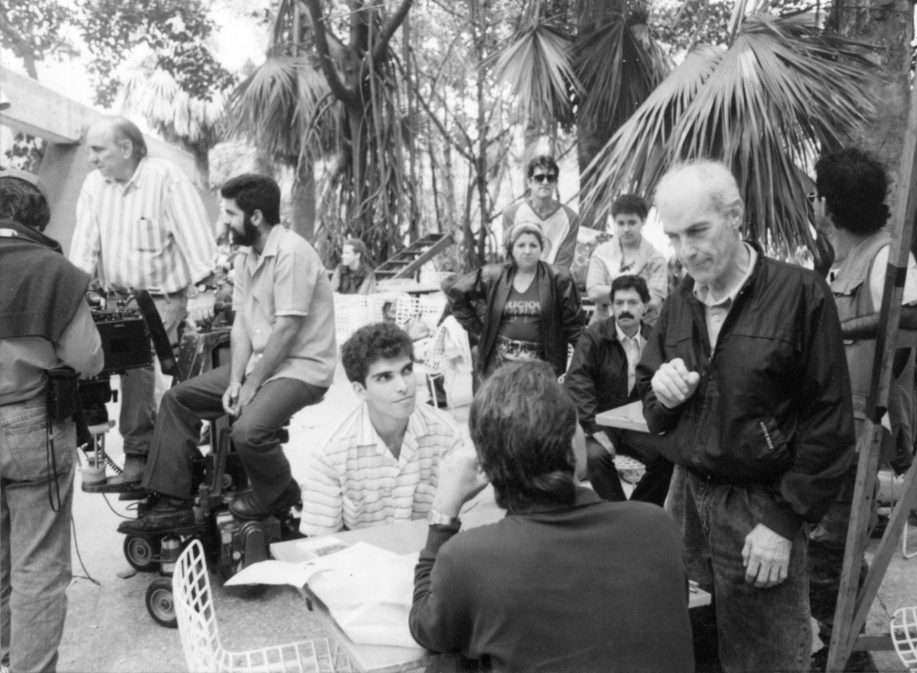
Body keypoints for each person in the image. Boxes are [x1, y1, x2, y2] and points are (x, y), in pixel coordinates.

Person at [636, 160, 855, 673]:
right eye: (674, 237)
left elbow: (830, 423)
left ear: (734, 216)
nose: (686, 250)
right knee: (692, 647)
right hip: (687, 501)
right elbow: (650, 403)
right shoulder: (680, 304)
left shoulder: (799, 295)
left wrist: (783, 520)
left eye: (698, 230)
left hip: (762, 508)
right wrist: (662, 395)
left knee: (766, 658)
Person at [408, 360, 695, 673]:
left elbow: (426, 628)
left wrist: (443, 514)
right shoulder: (656, 526)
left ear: (486, 463)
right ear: (575, 444)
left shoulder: (469, 559)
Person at [119, 174, 336, 530]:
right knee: (176, 399)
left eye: (231, 214)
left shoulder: (292, 254)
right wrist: (236, 380)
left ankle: (279, 492)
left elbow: (287, 330)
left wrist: (251, 387)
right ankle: (172, 502)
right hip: (261, 366)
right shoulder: (245, 256)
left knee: (247, 432)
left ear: (255, 217)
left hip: (302, 369)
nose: (224, 222)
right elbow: (241, 325)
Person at [809, 147, 917, 670]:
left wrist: (840, 329)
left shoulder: (885, 256)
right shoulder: (847, 260)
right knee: (827, 551)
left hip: (863, 430)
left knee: (829, 551)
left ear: (826, 205)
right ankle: (842, 653)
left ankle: (843, 658)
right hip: (838, 429)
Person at [69, 116, 218, 486]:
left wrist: (207, 286)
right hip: (113, 299)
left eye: (98, 149)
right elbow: (84, 247)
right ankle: (98, 451)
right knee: (88, 367)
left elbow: (193, 233)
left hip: (160, 299)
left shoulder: (164, 177)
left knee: (139, 370)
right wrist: (72, 298)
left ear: (127, 148)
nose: (91, 158)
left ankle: (139, 455)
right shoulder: (93, 185)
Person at [0, 172, 104, 673]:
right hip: (30, 427)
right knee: (38, 564)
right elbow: (88, 359)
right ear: (36, 221)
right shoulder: (53, 270)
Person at [300, 323, 462, 534]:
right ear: (360, 390)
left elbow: (466, 525)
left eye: (406, 371)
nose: (403, 386)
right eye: (385, 377)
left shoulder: (446, 436)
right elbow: (320, 543)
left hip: (433, 559)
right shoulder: (331, 454)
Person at [565, 275, 673, 504]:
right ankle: (615, 513)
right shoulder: (594, 337)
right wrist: (594, 427)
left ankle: (639, 510)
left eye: (632, 303)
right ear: (612, 305)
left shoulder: (656, 339)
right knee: (595, 456)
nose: (625, 309)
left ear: (645, 306)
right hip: (602, 422)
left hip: (639, 425)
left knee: (668, 456)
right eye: (619, 303)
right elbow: (577, 381)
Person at [445, 221, 586, 382]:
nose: (527, 251)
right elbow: (456, 294)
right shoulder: (493, 276)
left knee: (540, 406)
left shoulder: (559, 278)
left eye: (533, 245)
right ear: (511, 248)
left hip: (543, 368)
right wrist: (480, 330)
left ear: (542, 248)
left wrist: (584, 359)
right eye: (521, 245)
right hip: (500, 367)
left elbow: (575, 325)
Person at [586, 193, 668, 323]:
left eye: (632, 223)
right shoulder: (601, 253)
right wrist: (638, 293)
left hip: (643, 331)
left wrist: (610, 293)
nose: (626, 229)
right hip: (602, 329)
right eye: (621, 223)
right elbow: (594, 293)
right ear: (614, 222)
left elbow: (654, 301)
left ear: (643, 221)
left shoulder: (655, 259)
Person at [500, 155, 580, 272]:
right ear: (529, 182)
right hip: (519, 278)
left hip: (554, 281)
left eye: (550, 178)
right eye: (539, 178)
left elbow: (563, 264)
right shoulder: (511, 214)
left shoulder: (571, 218)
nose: (545, 182)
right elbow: (509, 255)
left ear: (555, 183)